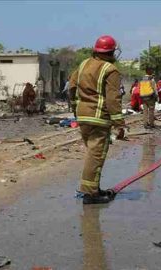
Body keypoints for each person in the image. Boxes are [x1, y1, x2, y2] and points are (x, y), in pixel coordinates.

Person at [69, 35, 124, 204]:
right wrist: (119, 123)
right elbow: (112, 99)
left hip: (83, 116)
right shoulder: (110, 70)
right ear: (112, 51)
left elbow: (71, 87)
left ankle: (93, 189)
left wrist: (75, 108)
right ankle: (90, 194)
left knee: (92, 154)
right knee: (96, 155)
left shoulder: (84, 64)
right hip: (99, 118)